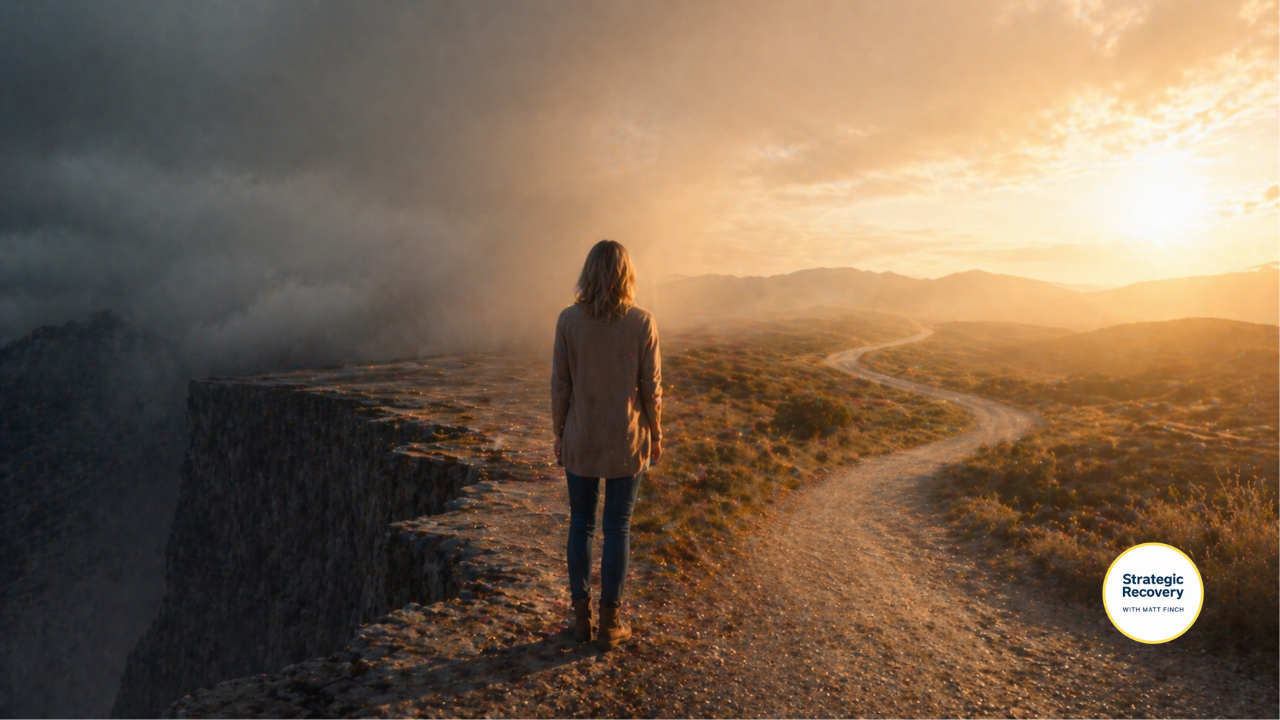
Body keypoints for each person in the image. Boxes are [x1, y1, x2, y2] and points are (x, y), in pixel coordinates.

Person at [551, 239, 662, 651]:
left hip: (581, 436)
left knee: (581, 524)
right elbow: (652, 389)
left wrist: (558, 433)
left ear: (588, 273)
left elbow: (560, 385)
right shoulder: (642, 322)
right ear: (626, 275)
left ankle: (581, 621)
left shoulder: (568, 321)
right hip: (626, 439)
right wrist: (657, 433)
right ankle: (610, 623)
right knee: (618, 527)